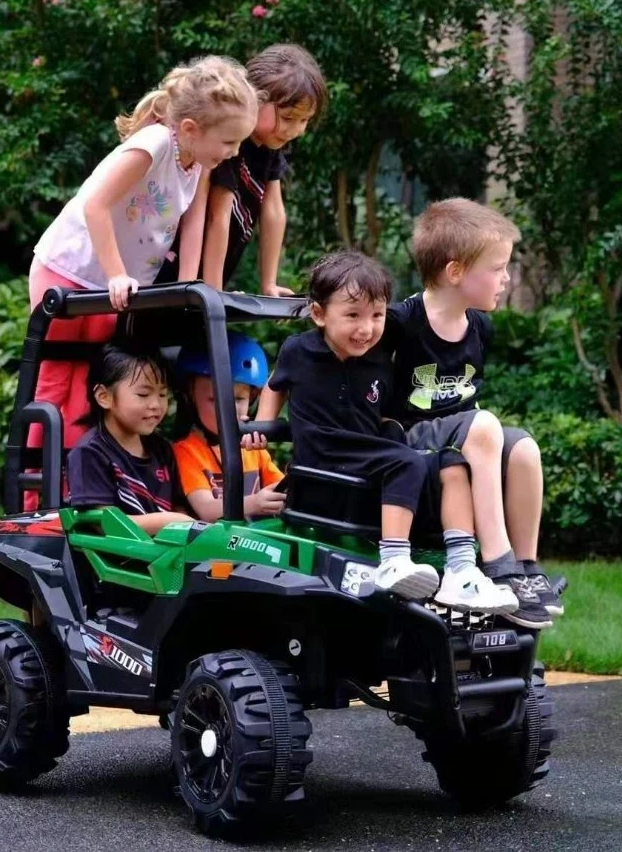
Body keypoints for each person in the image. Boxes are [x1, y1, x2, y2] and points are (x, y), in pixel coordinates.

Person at [256, 250, 518, 613]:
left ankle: (463, 571)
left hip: (367, 462)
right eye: (352, 316)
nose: (366, 329)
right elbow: (275, 385)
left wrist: (395, 434)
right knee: (404, 463)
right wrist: (260, 430)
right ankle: (394, 559)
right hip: (324, 466)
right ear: (318, 314)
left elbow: (386, 414)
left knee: (449, 464)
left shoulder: (378, 359)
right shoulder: (299, 350)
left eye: (377, 316)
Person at [29, 55, 258, 451]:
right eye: (229, 142)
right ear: (190, 128)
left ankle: (72, 488)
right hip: (69, 268)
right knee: (55, 379)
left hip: (106, 286)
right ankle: (35, 501)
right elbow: (95, 205)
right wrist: (118, 274)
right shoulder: (154, 144)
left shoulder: (197, 162)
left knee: (90, 386)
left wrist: (189, 282)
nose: (235, 153)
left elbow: (191, 223)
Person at [384, 197, 560, 626]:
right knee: (484, 424)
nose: (506, 279)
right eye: (497, 268)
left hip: (462, 438)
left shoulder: (480, 326)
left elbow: (470, 402)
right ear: (456, 272)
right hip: (410, 445)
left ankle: (527, 566)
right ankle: (500, 565)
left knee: (523, 448)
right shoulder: (401, 323)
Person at [157, 43, 327, 295]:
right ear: (256, 97)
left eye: (305, 121)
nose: (296, 130)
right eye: (289, 118)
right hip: (174, 274)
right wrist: (214, 293)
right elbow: (217, 217)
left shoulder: (270, 146)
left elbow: (274, 212)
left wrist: (268, 283)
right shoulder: (229, 142)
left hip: (203, 283)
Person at [67, 343, 193, 533]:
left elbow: (179, 506)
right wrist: (172, 522)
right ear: (104, 397)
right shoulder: (89, 453)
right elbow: (103, 523)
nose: (156, 404)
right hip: (114, 560)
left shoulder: (163, 449)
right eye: (143, 394)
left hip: (164, 556)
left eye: (162, 394)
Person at [172, 333, 285, 522]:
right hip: (212, 547)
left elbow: (280, 487)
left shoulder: (252, 449)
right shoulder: (186, 451)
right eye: (215, 399)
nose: (229, 409)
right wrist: (255, 503)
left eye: (239, 399)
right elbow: (206, 509)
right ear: (189, 398)